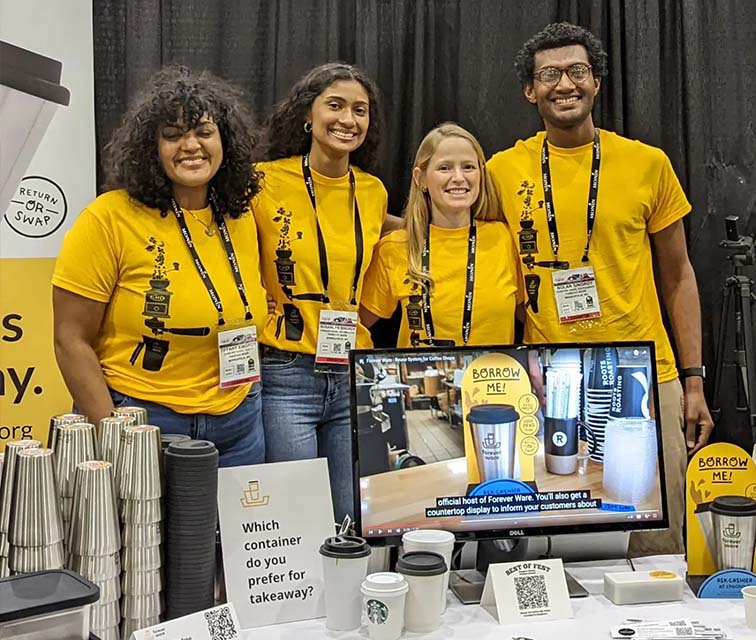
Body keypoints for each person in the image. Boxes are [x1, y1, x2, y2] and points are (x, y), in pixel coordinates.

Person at [487, 22, 714, 555]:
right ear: (529, 90)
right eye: (549, 75)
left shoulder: (646, 164)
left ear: (596, 82)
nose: (564, 84)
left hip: (645, 373)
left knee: (655, 541)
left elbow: (679, 275)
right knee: (560, 534)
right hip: (554, 379)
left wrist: (694, 380)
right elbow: (443, 224)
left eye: (577, 71)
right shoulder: (501, 170)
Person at [52, 66, 267, 467]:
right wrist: (115, 434)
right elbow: (70, 341)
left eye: (204, 132)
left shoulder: (240, 216)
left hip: (240, 421)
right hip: (145, 421)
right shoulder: (108, 218)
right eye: (173, 135)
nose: (191, 145)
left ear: (225, 141)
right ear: (151, 148)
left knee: (229, 532)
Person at [253, 63, 388, 523]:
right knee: (295, 518)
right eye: (335, 105)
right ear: (307, 115)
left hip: (354, 371)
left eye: (360, 110)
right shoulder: (263, 181)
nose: (348, 119)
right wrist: (254, 300)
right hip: (285, 375)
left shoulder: (372, 191)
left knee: (353, 516)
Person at [360, 122, 522, 347]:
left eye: (468, 167)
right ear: (421, 178)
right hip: (425, 380)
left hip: (492, 379)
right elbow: (357, 323)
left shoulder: (505, 239)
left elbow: (532, 314)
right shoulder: (396, 248)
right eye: (444, 168)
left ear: (481, 174)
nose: (458, 177)